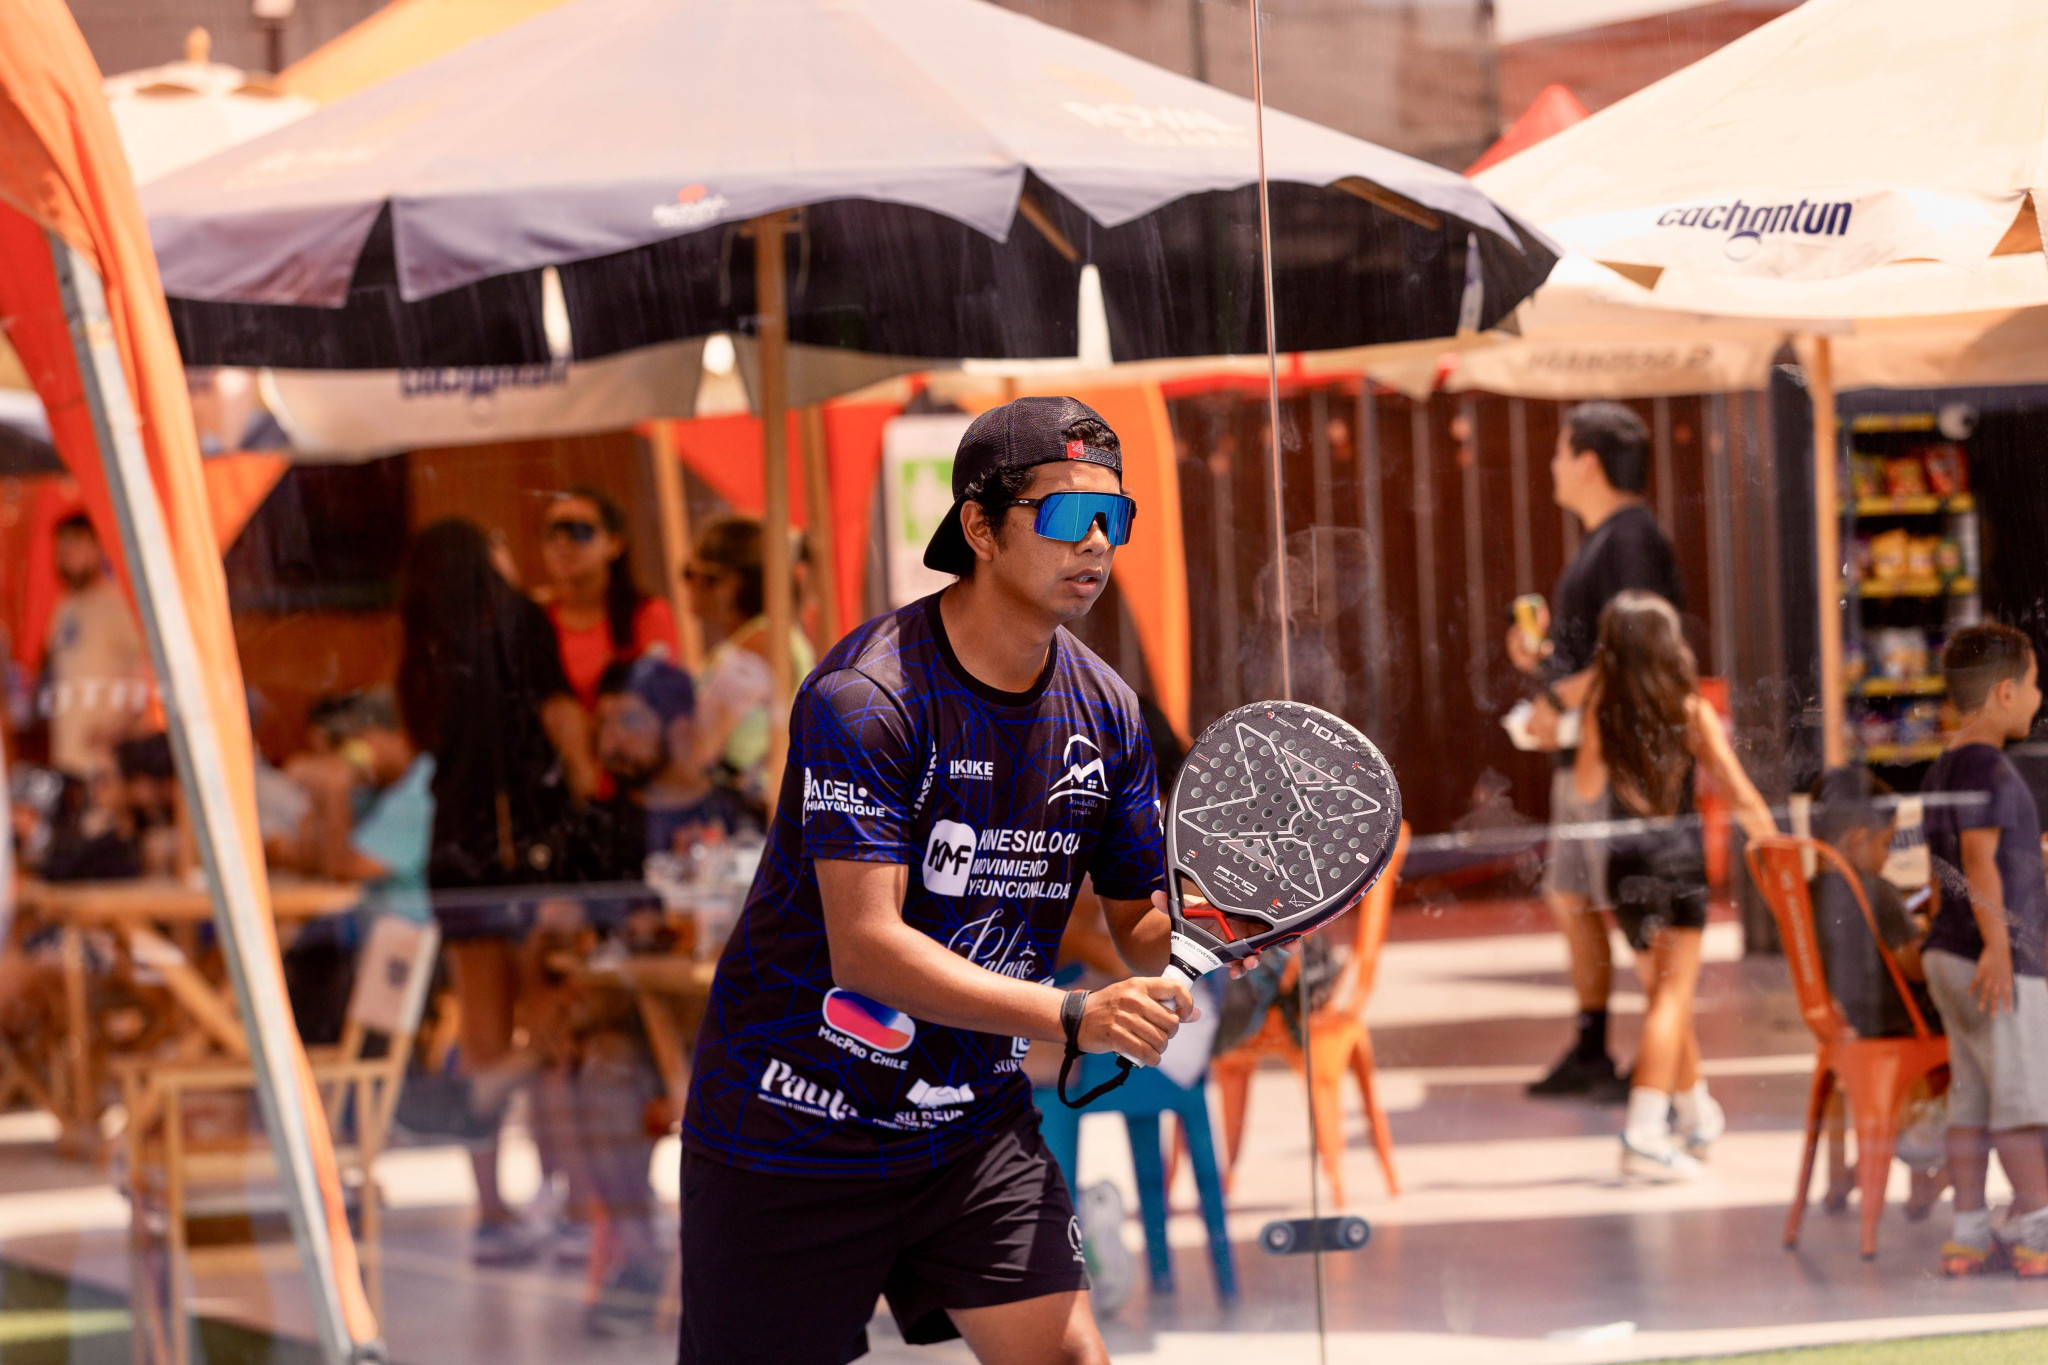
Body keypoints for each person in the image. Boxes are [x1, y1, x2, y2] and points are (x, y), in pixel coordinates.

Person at [679, 396, 1216, 1365]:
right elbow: (866, 950)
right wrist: (1072, 1016)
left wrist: (1212, 929)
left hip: (966, 1125)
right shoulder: (865, 697)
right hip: (792, 1123)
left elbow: (1139, 922)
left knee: (1069, 1359)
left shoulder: (1109, 711)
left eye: (1114, 516)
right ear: (979, 526)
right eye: (1067, 513)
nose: (1096, 540)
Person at [396, 519, 597, 1266]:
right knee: (548, 1030)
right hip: (526, 847)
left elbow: (426, 747)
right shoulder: (520, 619)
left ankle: (490, 1212)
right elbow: (558, 715)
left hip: (455, 854)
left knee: (481, 1039)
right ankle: (571, 1201)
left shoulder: (421, 645)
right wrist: (587, 799)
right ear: (488, 558)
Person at [1506, 403, 1684, 1101]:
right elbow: (1603, 650)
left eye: (1558, 453)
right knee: (1573, 894)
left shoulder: (1630, 539)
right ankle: (1592, 1046)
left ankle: (1664, 1066)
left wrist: (1556, 699)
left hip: (1618, 759)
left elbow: (1636, 653)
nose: (1552, 466)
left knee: (1631, 909)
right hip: (1588, 755)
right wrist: (1546, 657)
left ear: (1587, 462)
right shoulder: (1609, 539)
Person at [1573, 592, 1774, 1179]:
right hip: (1678, 868)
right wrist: (1778, 850)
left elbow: (1585, 786)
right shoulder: (1690, 711)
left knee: (1664, 1000)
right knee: (1670, 1000)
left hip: (1624, 870)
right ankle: (1642, 1131)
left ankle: (1696, 1113)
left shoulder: (1602, 710)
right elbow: (1736, 789)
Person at [1918, 623, 2048, 1277]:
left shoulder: (1945, 764)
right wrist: (1998, 945)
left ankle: (1968, 1233)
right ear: (2004, 692)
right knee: (2020, 1104)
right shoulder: (1990, 766)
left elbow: (1941, 869)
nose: (2038, 697)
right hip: (1995, 963)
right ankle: (2040, 1230)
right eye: (2034, 684)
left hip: (1948, 954)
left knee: (1970, 1104)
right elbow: (1977, 858)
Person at [684, 516, 815, 808]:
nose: (687, 586)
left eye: (689, 573)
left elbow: (700, 748)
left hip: (752, 810)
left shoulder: (760, 646)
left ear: (729, 584)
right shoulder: (777, 637)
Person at [1809, 767, 1936, 1040]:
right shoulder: (1876, 892)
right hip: (1902, 1022)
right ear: (1857, 841)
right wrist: (1934, 933)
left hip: (1855, 1019)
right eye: (1886, 844)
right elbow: (1915, 967)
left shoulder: (1810, 891)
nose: (1888, 857)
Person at [592, 655, 753, 868]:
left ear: (680, 730)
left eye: (629, 721)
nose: (609, 740)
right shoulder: (594, 832)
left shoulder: (740, 819)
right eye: (603, 723)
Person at [537, 488, 678, 711]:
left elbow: (664, 702)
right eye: (552, 531)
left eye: (578, 530)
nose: (561, 542)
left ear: (614, 542)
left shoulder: (646, 614)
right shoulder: (537, 617)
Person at [43, 513, 149, 780]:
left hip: (104, 764)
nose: (66, 554)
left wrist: (120, 726)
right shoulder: (63, 608)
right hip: (66, 760)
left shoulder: (115, 603)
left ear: (95, 547)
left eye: (74, 543)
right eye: (61, 547)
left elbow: (146, 666)